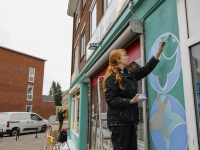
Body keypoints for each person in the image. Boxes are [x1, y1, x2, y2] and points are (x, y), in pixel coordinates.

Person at [103, 42, 166, 150]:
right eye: (125, 55)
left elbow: (145, 69)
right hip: (119, 124)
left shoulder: (129, 75)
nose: (128, 57)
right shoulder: (112, 78)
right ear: (118, 60)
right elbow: (111, 100)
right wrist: (130, 101)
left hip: (129, 121)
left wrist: (158, 53)